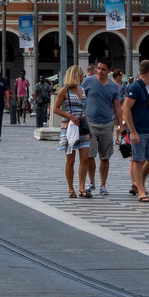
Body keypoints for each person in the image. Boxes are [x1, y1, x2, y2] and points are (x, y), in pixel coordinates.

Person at [121, 60, 149, 202]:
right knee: (138, 160)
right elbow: (125, 108)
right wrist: (132, 131)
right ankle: (140, 191)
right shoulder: (135, 86)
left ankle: (139, 183)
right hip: (139, 129)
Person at [81, 61, 122, 197]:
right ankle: (91, 182)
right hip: (90, 124)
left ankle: (103, 185)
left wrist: (120, 124)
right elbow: (80, 98)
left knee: (105, 157)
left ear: (109, 70)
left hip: (107, 124)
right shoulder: (88, 82)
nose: (99, 71)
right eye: (98, 68)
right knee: (90, 156)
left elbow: (117, 106)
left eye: (103, 69)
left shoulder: (113, 87)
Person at [53, 65, 90, 198]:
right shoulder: (65, 91)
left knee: (85, 158)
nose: (83, 77)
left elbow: (84, 109)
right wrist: (69, 116)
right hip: (70, 127)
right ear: (75, 75)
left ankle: (82, 187)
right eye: (81, 74)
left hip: (82, 125)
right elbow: (55, 109)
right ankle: (70, 188)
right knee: (71, 159)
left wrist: (88, 126)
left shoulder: (82, 90)